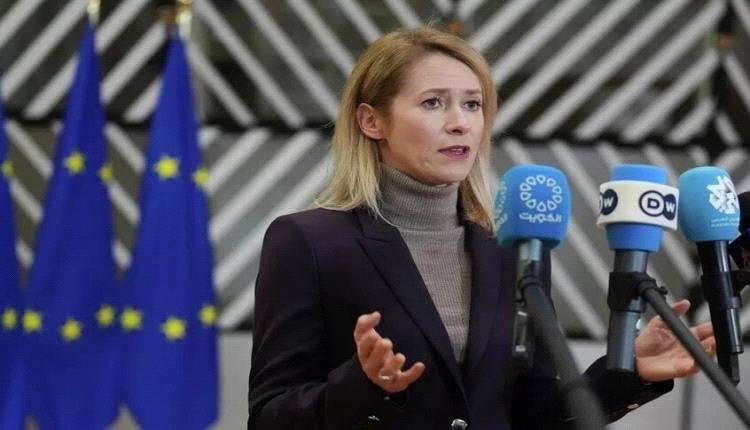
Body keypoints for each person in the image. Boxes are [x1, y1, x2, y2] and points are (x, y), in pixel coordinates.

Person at [247, 27, 715, 429]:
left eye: (473, 105)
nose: (460, 123)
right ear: (372, 121)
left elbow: (530, 413)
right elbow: (270, 416)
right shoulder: (309, 242)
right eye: (433, 103)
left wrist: (628, 371)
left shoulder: (512, 246)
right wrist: (362, 384)